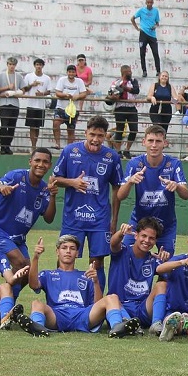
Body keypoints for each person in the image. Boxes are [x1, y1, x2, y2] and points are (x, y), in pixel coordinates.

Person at [14, 235, 140, 338]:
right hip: (58, 315)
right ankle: (37, 327)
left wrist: (95, 281)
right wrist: (35, 257)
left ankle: (117, 327)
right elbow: (33, 284)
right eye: (64, 248)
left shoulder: (86, 275)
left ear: (77, 253)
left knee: (112, 298)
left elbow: (98, 303)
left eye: (72, 248)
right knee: (36, 303)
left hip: (82, 315)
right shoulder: (48, 274)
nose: (68, 251)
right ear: (57, 251)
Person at [52, 115, 124, 293]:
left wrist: (114, 220)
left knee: (97, 261)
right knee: (65, 259)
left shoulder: (112, 157)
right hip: (73, 217)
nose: (95, 139)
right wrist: (73, 183)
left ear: (105, 136)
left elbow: (117, 190)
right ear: (85, 133)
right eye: (92, 134)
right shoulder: (70, 151)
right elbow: (54, 179)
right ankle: (60, 298)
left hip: (99, 220)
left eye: (100, 136)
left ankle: (95, 303)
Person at [118, 124, 188, 258]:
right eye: (150, 141)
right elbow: (120, 195)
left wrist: (177, 186)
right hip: (139, 222)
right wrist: (130, 182)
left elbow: (186, 195)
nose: (154, 145)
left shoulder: (174, 164)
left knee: (165, 261)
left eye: (158, 141)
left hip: (166, 225)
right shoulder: (134, 164)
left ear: (165, 143)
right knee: (125, 254)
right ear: (144, 142)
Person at [0, 148, 58, 270]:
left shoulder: (45, 189)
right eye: (37, 160)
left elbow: (49, 219)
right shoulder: (17, 176)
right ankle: (3, 288)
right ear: (30, 162)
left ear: (49, 165)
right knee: (20, 262)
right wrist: (2, 187)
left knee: (27, 272)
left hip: (18, 237)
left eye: (45, 162)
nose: (41, 164)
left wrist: (53, 196)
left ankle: (8, 289)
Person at [107, 217, 163, 330]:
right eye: (144, 236)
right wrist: (121, 233)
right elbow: (113, 244)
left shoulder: (154, 259)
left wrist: (165, 261)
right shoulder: (122, 251)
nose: (147, 240)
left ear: (155, 241)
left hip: (142, 308)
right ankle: (126, 324)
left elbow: (167, 279)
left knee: (162, 285)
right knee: (112, 299)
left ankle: (156, 324)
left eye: (151, 238)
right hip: (120, 306)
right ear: (136, 235)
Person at [108, 64, 141, 159]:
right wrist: (114, 95)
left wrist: (125, 88)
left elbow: (136, 90)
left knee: (134, 130)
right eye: (127, 72)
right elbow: (110, 93)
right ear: (122, 73)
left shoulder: (134, 81)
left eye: (130, 72)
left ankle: (127, 150)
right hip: (120, 107)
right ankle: (118, 151)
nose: (129, 73)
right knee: (120, 130)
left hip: (131, 107)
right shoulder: (116, 82)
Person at [53, 63, 89, 148]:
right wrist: (65, 95)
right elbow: (57, 92)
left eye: (73, 72)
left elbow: (84, 93)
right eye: (69, 72)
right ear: (67, 72)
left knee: (71, 130)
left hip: (73, 109)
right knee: (56, 123)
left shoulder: (79, 81)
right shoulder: (62, 80)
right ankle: (57, 143)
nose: (71, 73)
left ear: (75, 73)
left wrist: (77, 96)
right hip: (61, 108)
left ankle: (70, 148)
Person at [22, 58, 53, 151]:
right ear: (34, 66)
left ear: (42, 66)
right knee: (32, 126)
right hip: (31, 105)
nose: (38, 66)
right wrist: (32, 84)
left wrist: (42, 94)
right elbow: (24, 89)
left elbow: (49, 91)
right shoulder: (29, 76)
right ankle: (33, 146)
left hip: (41, 105)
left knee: (38, 126)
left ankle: (35, 145)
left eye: (40, 65)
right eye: (37, 64)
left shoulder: (47, 78)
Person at [0, 57, 23, 155]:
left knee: (12, 127)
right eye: (10, 64)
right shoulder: (1, 75)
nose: (12, 66)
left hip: (15, 104)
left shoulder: (18, 76)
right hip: (4, 104)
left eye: (13, 65)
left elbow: (23, 90)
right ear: (7, 64)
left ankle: (8, 146)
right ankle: (2, 146)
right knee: (4, 126)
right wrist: (7, 88)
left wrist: (17, 92)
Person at [131, 0, 161, 78]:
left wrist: (155, 26)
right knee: (142, 53)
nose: (149, 4)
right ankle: (144, 71)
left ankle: (158, 71)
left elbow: (157, 23)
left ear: (153, 3)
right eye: (148, 2)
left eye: (151, 2)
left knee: (155, 53)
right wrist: (137, 28)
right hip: (143, 34)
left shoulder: (155, 11)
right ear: (146, 3)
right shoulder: (141, 10)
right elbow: (132, 18)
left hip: (152, 35)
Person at [146, 70, 177, 135]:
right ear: (159, 77)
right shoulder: (155, 85)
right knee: (158, 127)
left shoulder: (170, 86)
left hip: (167, 110)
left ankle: (162, 144)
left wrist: (172, 101)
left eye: (166, 76)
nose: (164, 77)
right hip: (155, 109)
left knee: (164, 129)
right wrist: (152, 97)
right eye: (163, 76)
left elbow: (175, 99)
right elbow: (148, 96)